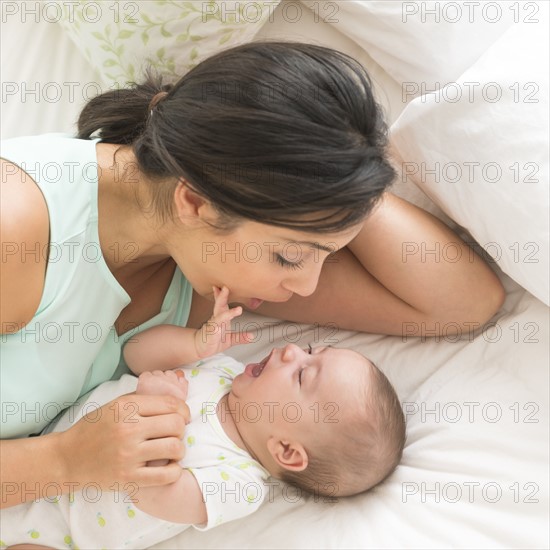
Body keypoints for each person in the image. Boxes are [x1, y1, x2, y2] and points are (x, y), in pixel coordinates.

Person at [0, 41, 505, 510]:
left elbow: (459, 303)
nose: (306, 285)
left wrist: (341, 177)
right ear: (194, 201)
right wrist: (63, 462)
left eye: (327, 255)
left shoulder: (203, 266)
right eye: (290, 258)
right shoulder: (16, 230)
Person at [1, 286, 405, 549]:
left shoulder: (239, 484)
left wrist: (160, 405)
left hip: (59, 531)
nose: (290, 352)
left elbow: (155, 493)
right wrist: (194, 345)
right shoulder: (222, 371)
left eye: (303, 374)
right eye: (310, 351)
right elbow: (137, 353)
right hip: (34, 446)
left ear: (286, 450)